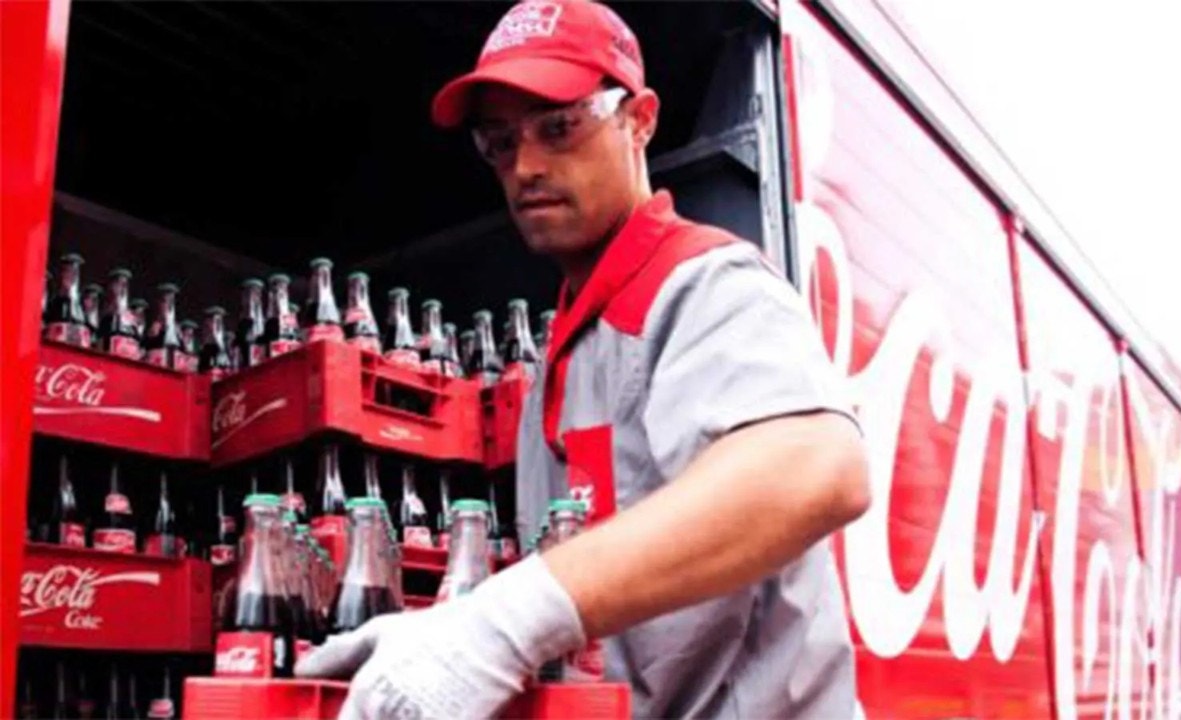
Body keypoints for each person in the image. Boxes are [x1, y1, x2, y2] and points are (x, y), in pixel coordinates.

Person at [296, 1, 871, 717]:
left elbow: (817, 467)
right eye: (499, 143)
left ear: (640, 120)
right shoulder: (567, 349)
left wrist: (502, 626)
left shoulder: (702, 283)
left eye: (560, 127)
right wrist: (454, 631)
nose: (526, 167)